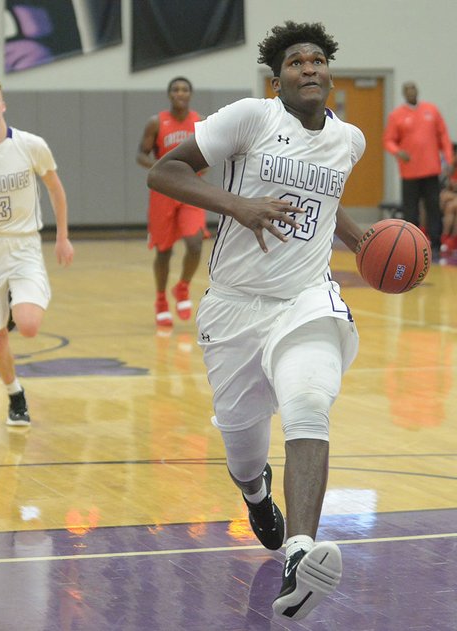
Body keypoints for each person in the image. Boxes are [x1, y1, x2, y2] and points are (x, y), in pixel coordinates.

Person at [148, 21, 366, 620]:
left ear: (329, 71)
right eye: (296, 62)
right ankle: (255, 490)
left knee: (308, 402)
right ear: (277, 80)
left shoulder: (350, 140)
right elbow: (163, 172)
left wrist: (360, 238)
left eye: (318, 59)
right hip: (236, 305)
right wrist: (237, 206)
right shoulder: (249, 117)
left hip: (307, 298)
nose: (310, 68)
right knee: (243, 447)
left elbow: (326, 201)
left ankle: (300, 553)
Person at [0, 76, 74, 427]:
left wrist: (62, 236)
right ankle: (14, 393)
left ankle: (12, 305)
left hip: (23, 244)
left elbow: (56, 190)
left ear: (3, 105)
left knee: (29, 324)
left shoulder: (30, 145)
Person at [137, 77, 208, 327]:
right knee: (164, 251)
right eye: (176, 89)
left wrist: (201, 167)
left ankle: (183, 287)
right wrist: (160, 168)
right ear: (169, 95)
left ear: (190, 94)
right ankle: (160, 300)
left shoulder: (200, 122)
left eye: (185, 89)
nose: (180, 93)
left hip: (190, 190)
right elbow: (140, 155)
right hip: (164, 192)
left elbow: (208, 155)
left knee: (195, 243)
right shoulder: (156, 123)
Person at [383, 81, 453, 262]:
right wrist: (398, 152)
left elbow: (444, 136)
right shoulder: (396, 116)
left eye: (413, 89)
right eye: (408, 90)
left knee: (433, 208)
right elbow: (388, 141)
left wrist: (449, 159)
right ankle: (412, 245)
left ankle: (436, 245)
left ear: (417, 91)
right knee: (411, 211)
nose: (411, 93)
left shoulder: (431, 110)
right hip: (409, 172)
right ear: (404, 94)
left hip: (431, 170)